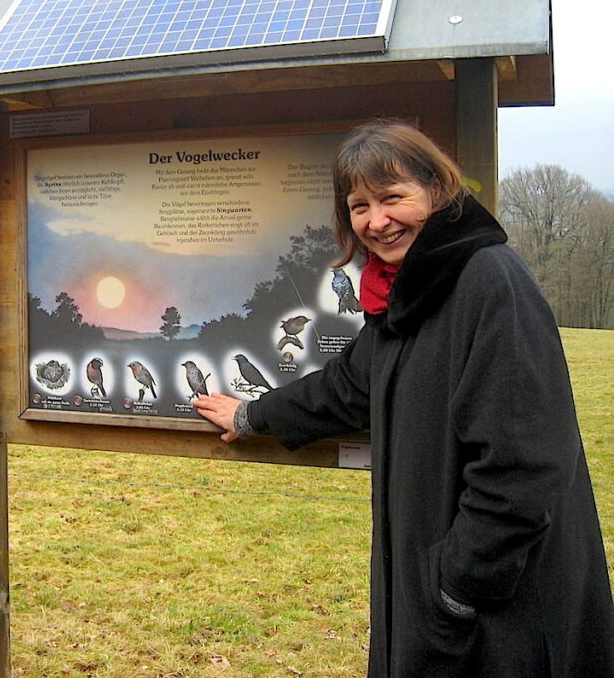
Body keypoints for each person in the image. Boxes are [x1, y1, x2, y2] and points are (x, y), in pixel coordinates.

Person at [192, 120, 614, 677]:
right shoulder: (408, 291)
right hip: (443, 598)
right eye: (359, 205)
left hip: (506, 612)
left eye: (393, 197)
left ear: (437, 191)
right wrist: (252, 413)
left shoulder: (488, 283)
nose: (377, 221)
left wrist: (458, 589)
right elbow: (349, 386)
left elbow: (522, 466)